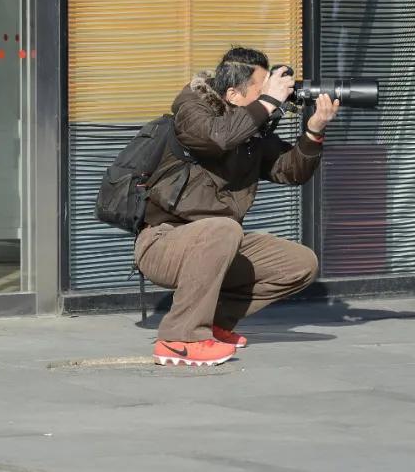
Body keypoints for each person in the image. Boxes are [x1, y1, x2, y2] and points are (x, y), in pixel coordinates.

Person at [139, 47, 341, 366]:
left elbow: (292, 170)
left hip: (220, 242)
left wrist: (314, 130)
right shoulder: (191, 111)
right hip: (164, 241)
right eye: (263, 89)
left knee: (300, 263)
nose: (274, 96)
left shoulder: (251, 135)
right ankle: (180, 337)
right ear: (233, 94)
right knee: (225, 228)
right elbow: (217, 138)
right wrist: (269, 102)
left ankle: (214, 323)